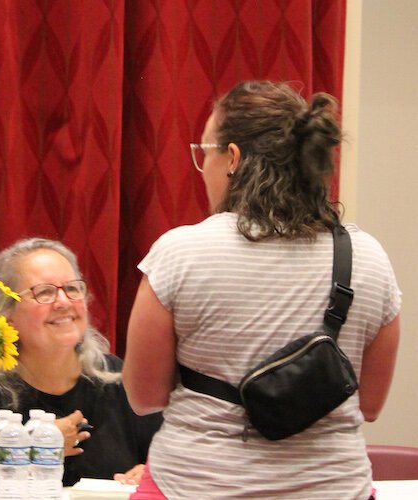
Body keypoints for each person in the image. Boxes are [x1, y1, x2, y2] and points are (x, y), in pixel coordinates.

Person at [122, 80, 401, 499]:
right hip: (333, 488)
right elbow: (371, 404)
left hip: (195, 486)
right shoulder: (368, 258)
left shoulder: (181, 253)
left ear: (232, 157)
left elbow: (144, 397)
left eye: (205, 153)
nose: (203, 168)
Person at [0, 237, 161, 492]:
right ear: (5, 312)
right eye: (44, 292)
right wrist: (36, 445)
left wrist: (152, 473)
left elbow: (171, 455)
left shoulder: (118, 377)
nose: (64, 302)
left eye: (73, 289)